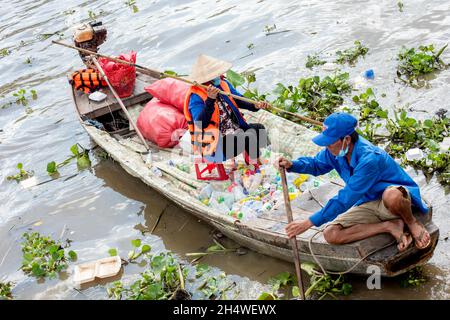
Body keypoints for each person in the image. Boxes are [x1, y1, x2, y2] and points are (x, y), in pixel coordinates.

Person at [275, 112, 431, 252]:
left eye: (330, 142)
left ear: (347, 140)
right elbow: (316, 165)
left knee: (392, 196)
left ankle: (411, 222)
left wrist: (308, 222)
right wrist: (292, 165)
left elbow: (345, 198)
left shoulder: (369, 159)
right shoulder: (335, 151)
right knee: (331, 234)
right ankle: (389, 226)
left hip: (393, 201)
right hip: (367, 202)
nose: (327, 147)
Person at [184, 54, 270, 163]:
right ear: (208, 78)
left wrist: (255, 105)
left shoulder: (223, 84)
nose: (219, 75)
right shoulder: (196, 96)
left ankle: (261, 156)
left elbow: (239, 100)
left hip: (233, 131)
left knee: (259, 129)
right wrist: (210, 100)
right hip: (214, 143)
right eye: (216, 74)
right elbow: (200, 124)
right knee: (248, 137)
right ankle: (258, 164)